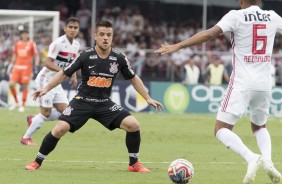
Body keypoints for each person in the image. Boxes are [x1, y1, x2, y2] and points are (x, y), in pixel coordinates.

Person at [155, 0, 282, 183]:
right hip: (265, 82)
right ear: (260, 1)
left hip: (242, 82)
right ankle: (268, 161)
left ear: (240, 1)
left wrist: (178, 46)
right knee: (260, 126)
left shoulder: (235, 16)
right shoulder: (272, 16)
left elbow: (209, 34)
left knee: (221, 129)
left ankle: (252, 157)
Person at [25, 20, 164, 172]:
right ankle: (37, 161)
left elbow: (133, 77)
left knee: (133, 125)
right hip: (82, 102)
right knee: (59, 129)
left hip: (104, 103)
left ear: (112, 37)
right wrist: (46, 88)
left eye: (109, 35)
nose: (106, 38)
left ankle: (133, 163)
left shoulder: (119, 58)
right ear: (95, 36)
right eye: (102, 34)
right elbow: (64, 73)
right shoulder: (85, 56)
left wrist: (147, 98)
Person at [21, 17, 80, 145]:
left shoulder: (76, 45)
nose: (73, 30)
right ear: (65, 28)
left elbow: (73, 63)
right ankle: (26, 138)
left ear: (78, 30)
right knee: (46, 112)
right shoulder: (57, 43)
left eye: (75, 28)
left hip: (57, 82)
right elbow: (47, 62)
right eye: (70, 27)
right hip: (46, 79)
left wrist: (73, 75)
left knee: (67, 112)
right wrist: (63, 72)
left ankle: (33, 119)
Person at [8, 30, 40, 112]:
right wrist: (10, 66)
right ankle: (16, 102)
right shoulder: (17, 44)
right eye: (24, 34)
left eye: (26, 34)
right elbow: (15, 55)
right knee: (11, 84)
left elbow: (36, 55)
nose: (25, 35)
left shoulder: (31, 44)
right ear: (21, 36)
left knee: (25, 86)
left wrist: (36, 66)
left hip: (26, 68)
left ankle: (22, 105)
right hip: (17, 67)